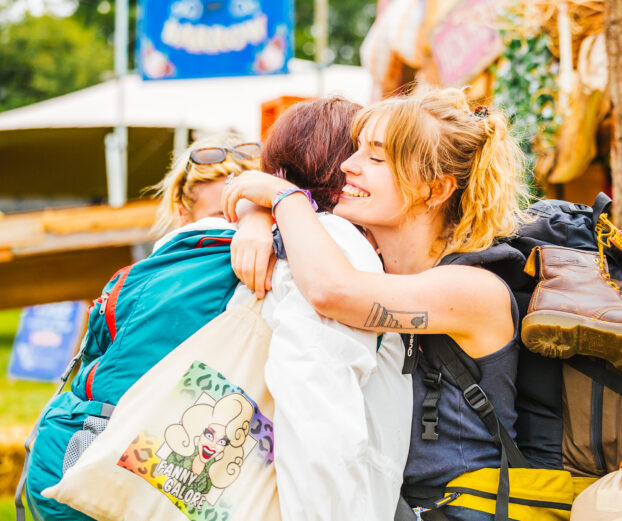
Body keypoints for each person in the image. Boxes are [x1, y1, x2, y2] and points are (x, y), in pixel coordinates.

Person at [223, 88, 524, 521]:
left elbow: (331, 292)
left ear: (435, 189)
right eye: (356, 148)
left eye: (376, 158)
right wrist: (255, 219)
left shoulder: (473, 291)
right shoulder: (376, 265)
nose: (348, 165)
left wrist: (283, 198)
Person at [156, 98, 412, 521]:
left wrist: (259, 211)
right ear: (341, 167)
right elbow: (316, 411)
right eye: (365, 154)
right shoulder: (334, 247)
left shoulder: (270, 237)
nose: (361, 166)